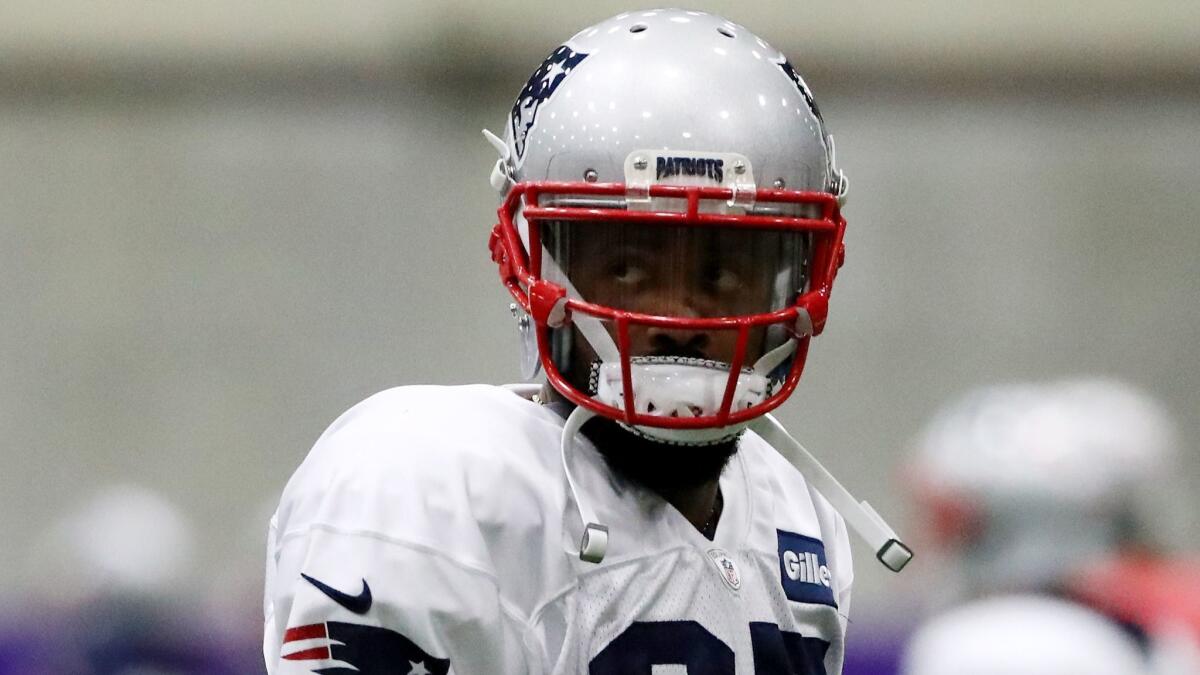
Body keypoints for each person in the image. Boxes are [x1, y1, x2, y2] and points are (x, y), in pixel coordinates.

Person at [264, 10, 908, 674]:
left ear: (800, 279)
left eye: (721, 272)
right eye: (628, 269)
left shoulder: (797, 513)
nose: (678, 315)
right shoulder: (428, 490)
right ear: (527, 262)